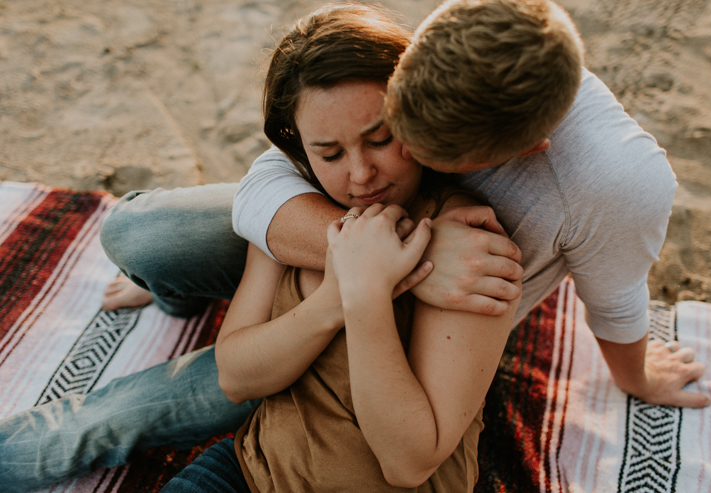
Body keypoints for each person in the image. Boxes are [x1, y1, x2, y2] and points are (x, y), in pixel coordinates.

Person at [0, 0, 709, 490]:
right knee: (136, 236)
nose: (365, 173)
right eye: (399, 122)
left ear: (525, 150)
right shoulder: (460, 41)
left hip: (418, 337)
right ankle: (173, 293)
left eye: (389, 140)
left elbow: (614, 295)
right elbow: (272, 182)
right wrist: (387, 265)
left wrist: (637, 372)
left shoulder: (598, 189)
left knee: (99, 422)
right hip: (340, 297)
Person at [159, 7, 520, 491]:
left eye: (380, 139)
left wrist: (369, 295)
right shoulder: (296, 214)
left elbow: (409, 462)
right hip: (247, 473)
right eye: (329, 153)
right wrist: (339, 295)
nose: (360, 175)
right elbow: (236, 375)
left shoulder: (471, 248)